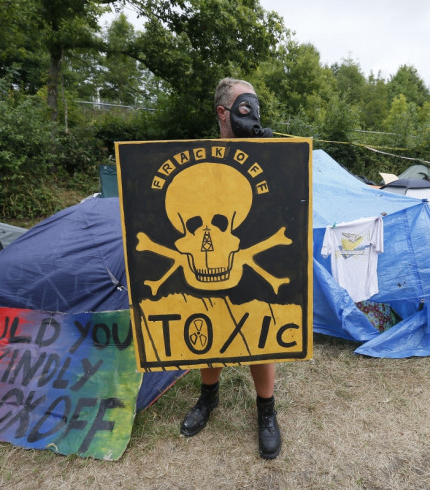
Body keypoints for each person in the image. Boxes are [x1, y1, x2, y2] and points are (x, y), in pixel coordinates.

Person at [179, 77, 281, 460]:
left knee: (259, 328)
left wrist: (276, 161)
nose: (253, 114)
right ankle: (208, 398)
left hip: (254, 258)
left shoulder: (270, 156)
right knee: (209, 320)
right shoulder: (198, 162)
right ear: (223, 112)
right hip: (210, 262)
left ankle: (266, 411)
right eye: (244, 106)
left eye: (255, 106)